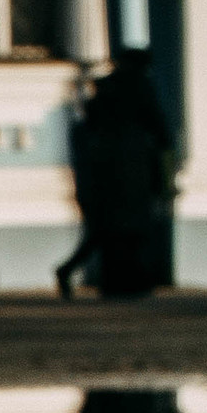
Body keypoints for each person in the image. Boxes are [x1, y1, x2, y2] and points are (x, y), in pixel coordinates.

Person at [76, 51, 178, 299]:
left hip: (105, 161)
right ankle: (130, 280)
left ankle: (115, 280)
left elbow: (90, 119)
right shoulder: (139, 86)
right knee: (131, 224)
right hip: (132, 160)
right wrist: (165, 149)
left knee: (112, 225)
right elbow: (155, 121)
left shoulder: (107, 88)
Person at [54, 77, 98, 298]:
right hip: (94, 190)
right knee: (98, 234)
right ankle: (66, 270)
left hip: (89, 189)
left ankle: (66, 270)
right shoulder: (88, 132)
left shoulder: (82, 131)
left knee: (97, 235)